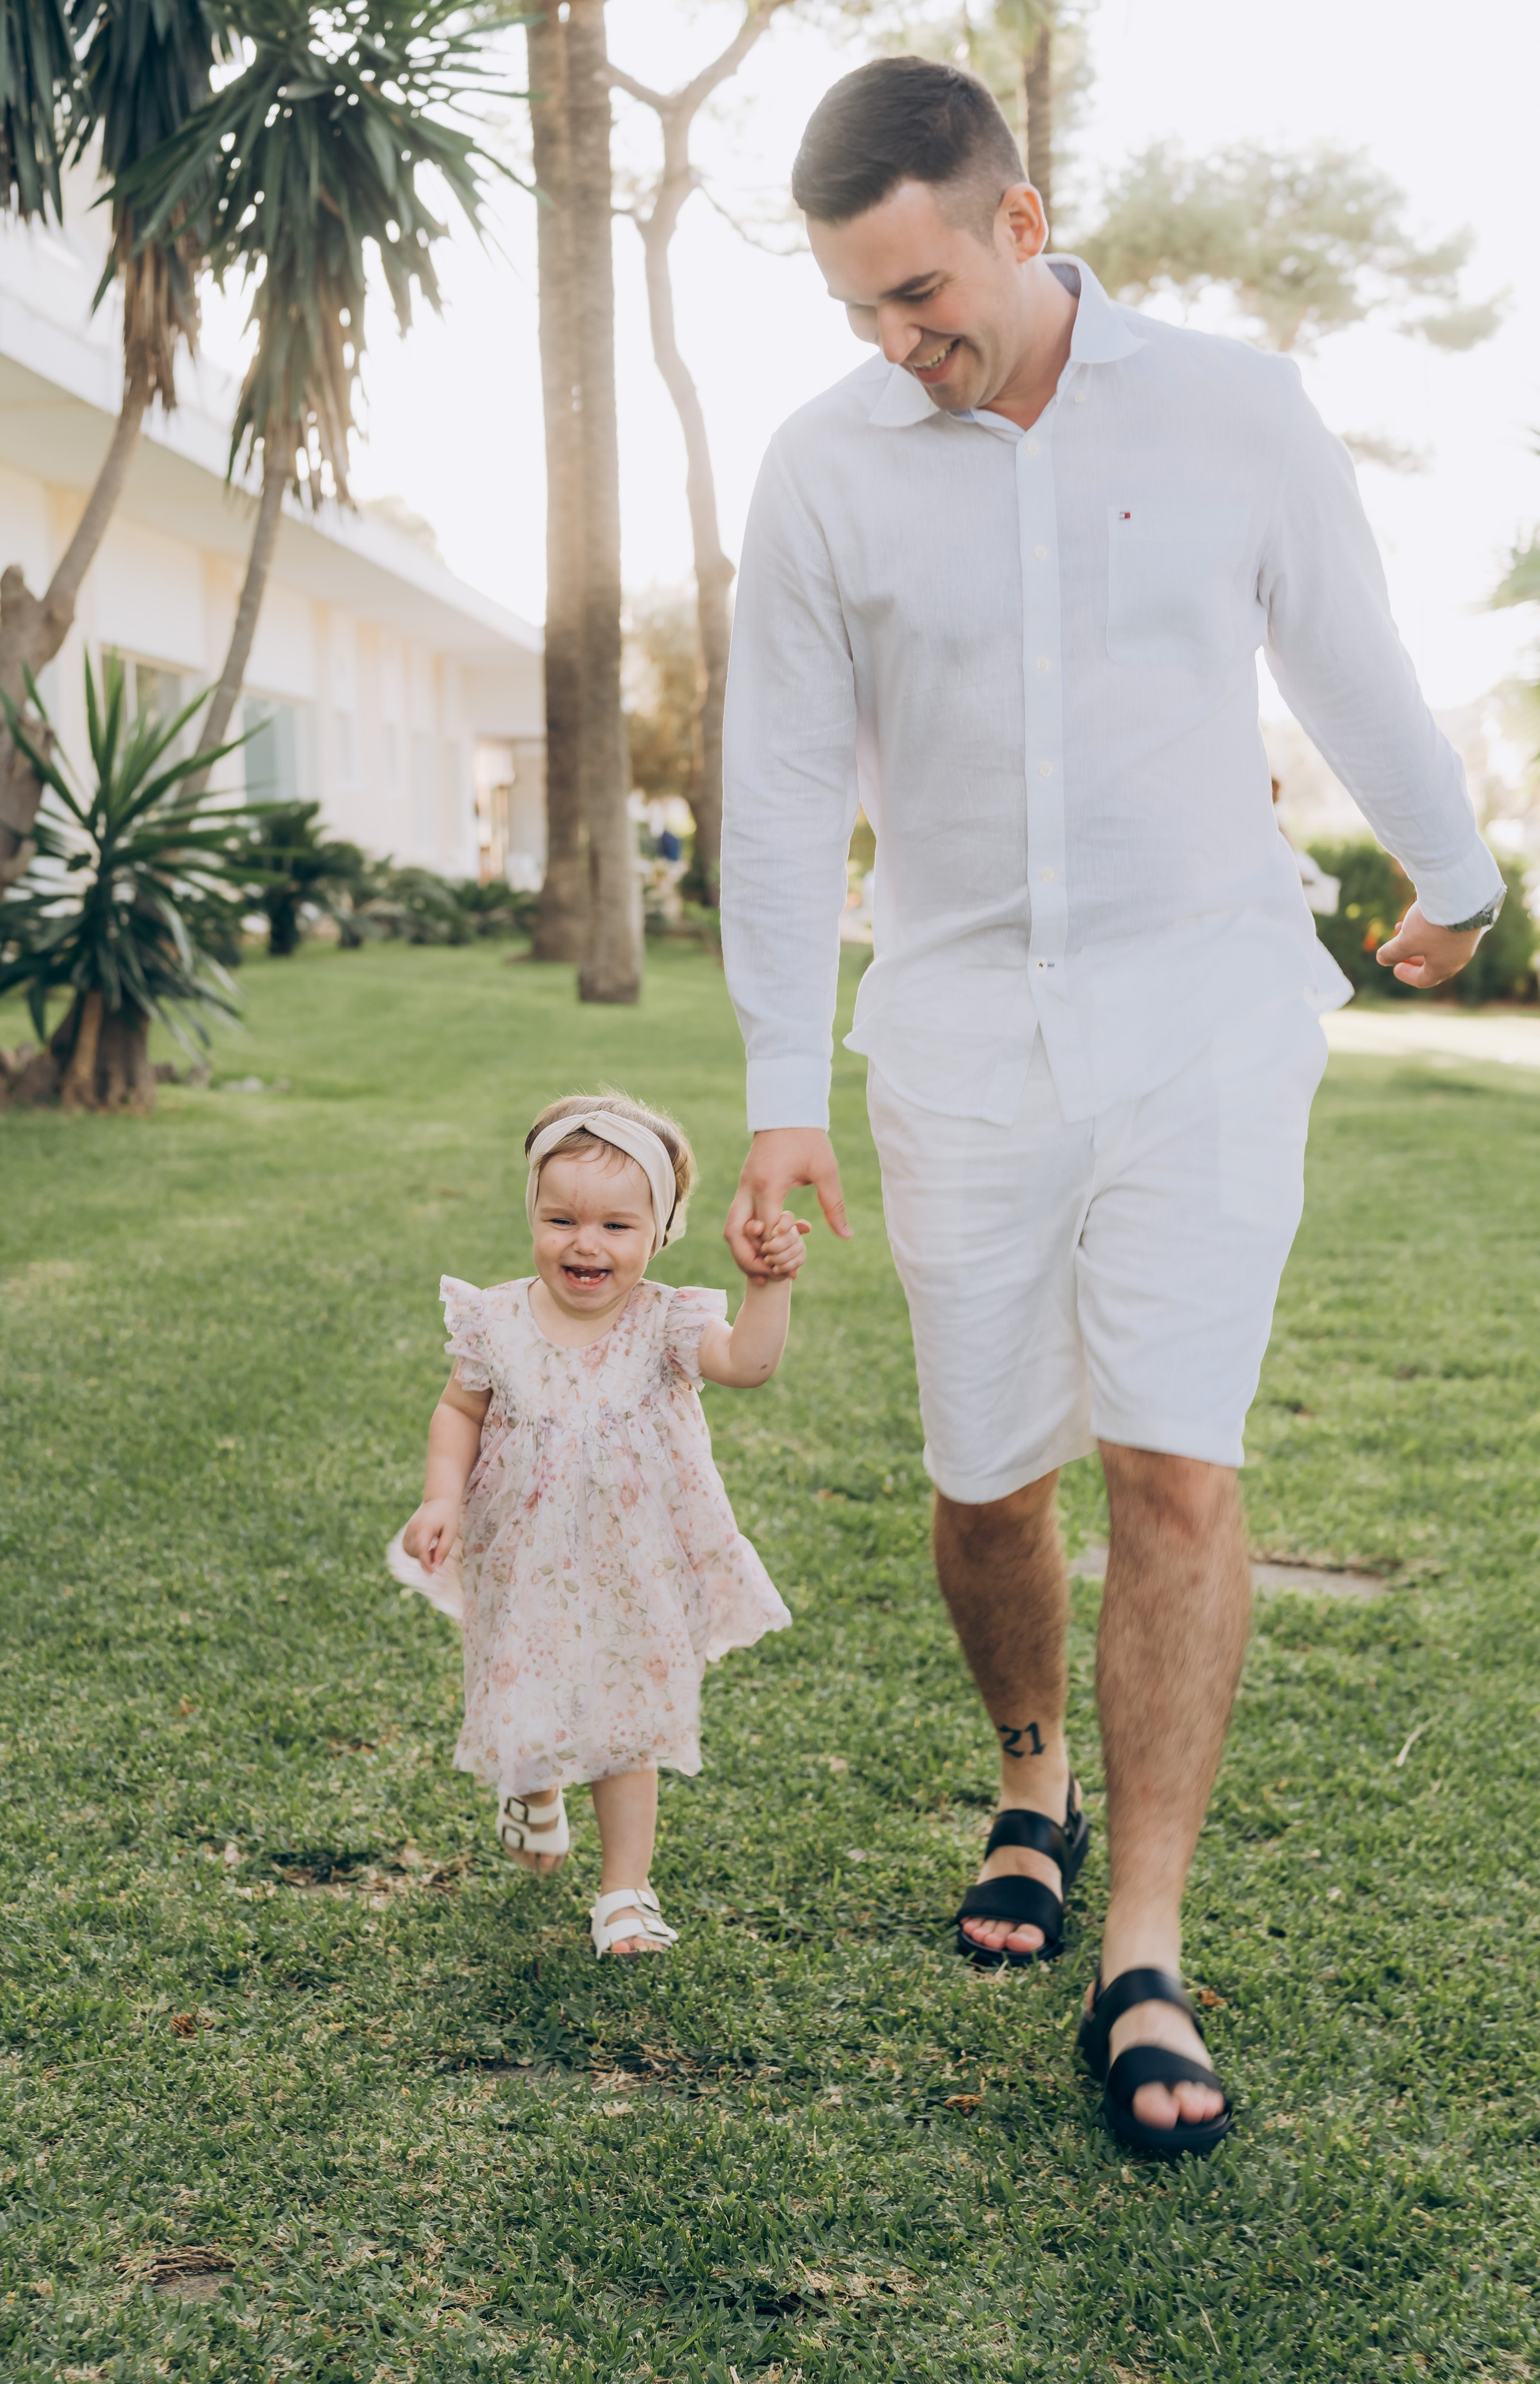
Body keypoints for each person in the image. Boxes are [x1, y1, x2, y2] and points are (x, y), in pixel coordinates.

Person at [720, 58, 1502, 2155]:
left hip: (1209, 1010)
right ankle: (1030, 1780)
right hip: (961, 1027)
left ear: (1022, 213)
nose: (902, 341)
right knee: (988, 1484)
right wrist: (784, 1087)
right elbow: (785, 790)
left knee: (1174, 1465)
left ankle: (1143, 1944)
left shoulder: (1237, 410)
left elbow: (1349, 651)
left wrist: (1459, 876)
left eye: (920, 291)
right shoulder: (824, 468)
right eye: (860, 310)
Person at [391, 1094, 802, 1957]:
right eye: (561, 1218)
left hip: (633, 1562)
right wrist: (439, 1497)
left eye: (617, 1224)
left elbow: (748, 1366)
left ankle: (625, 1888)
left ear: (659, 1233)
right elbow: (457, 1413)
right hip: (524, 1553)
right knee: (529, 1685)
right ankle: (533, 1786)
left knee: (625, 1716)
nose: (586, 1243)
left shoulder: (667, 1323)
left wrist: (769, 1288)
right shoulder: (495, 1322)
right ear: (532, 1216)